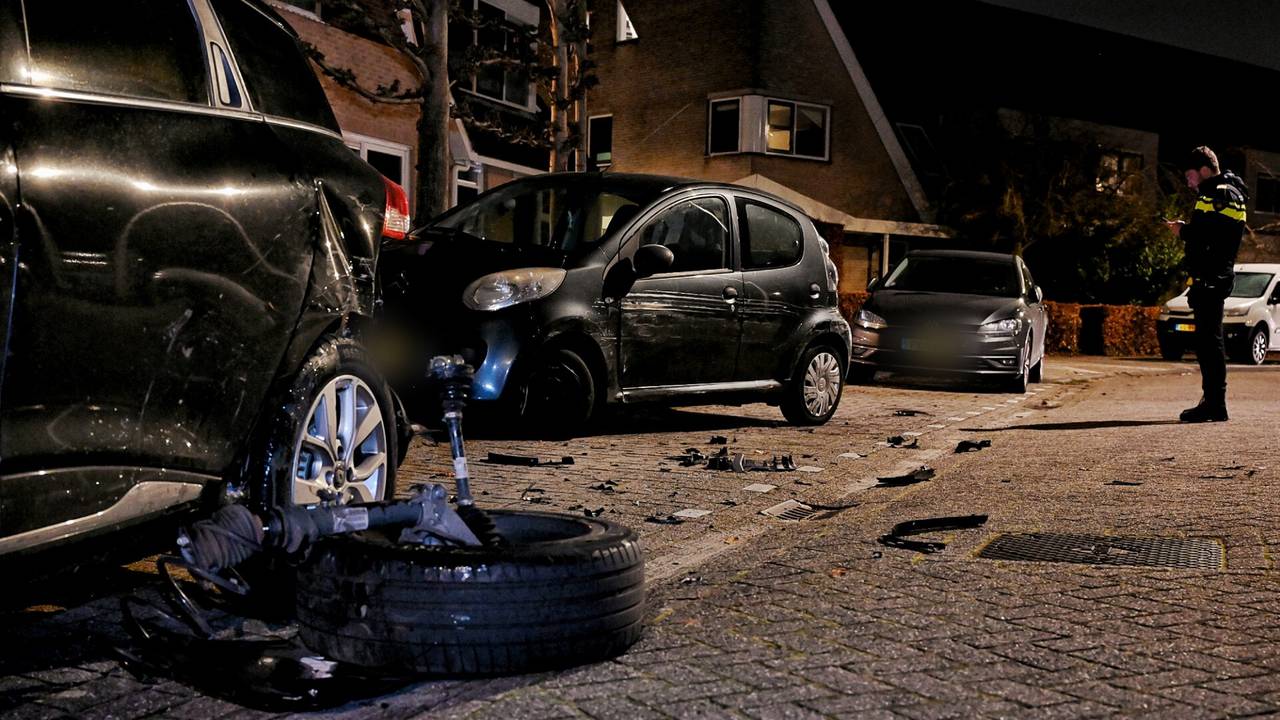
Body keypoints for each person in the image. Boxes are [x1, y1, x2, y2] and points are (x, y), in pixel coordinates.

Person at [1165, 146, 1249, 422]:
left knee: (1210, 343)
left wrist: (1183, 230)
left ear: (1203, 170)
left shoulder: (1217, 193)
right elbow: (1217, 232)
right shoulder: (1229, 193)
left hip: (1211, 278)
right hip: (1215, 276)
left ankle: (1215, 404)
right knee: (1208, 342)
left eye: (1190, 176)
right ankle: (1213, 401)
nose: (1189, 182)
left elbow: (1208, 236)